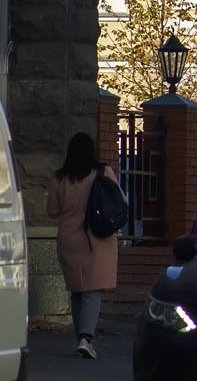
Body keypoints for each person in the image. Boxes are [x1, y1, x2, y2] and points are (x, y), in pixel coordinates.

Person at [47, 131, 119, 359]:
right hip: (96, 238)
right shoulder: (103, 172)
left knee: (77, 290)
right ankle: (86, 338)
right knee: (92, 292)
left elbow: (52, 211)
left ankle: (81, 337)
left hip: (69, 238)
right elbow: (121, 201)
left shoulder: (59, 178)